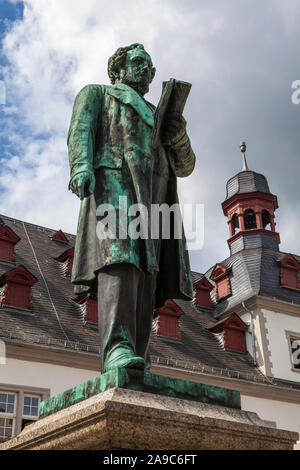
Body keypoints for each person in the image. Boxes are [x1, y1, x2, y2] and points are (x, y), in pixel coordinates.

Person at [68, 43, 195, 372]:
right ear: (118, 68)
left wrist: (178, 135)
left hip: (156, 196)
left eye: (149, 67)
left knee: (148, 272)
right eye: (138, 63)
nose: (145, 70)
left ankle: (139, 351)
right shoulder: (97, 94)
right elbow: (80, 131)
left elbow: (185, 166)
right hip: (116, 185)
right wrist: (81, 167)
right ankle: (117, 349)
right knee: (120, 260)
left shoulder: (161, 114)